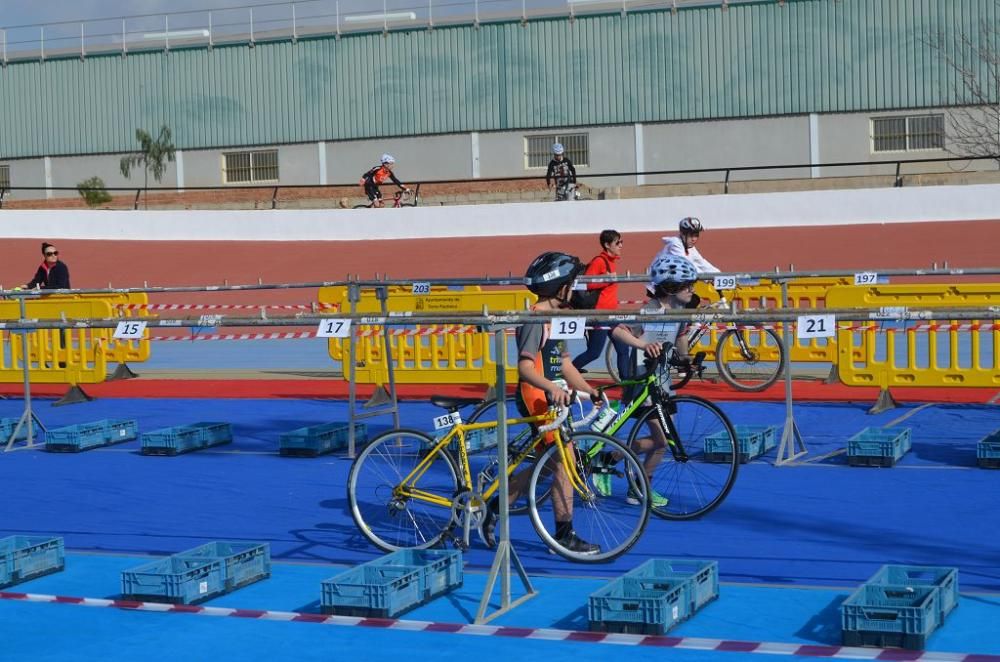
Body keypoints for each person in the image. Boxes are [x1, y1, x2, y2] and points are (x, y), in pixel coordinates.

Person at [480, 251, 602, 555]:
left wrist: (590, 389)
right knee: (564, 459)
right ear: (559, 286)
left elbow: (564, 364)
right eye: (572, 283)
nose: (574, 288)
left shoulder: (555, 318)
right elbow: (525, 367)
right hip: (536, 396)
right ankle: (563, 534)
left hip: (553, 395)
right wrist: (551, 389)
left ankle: (493, 506)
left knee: (548, 467)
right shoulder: (535, 318)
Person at [594, 254, 699, 507]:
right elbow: (618, 331)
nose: (693, 290)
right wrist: (643, 344)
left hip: (662, 381)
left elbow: (681, 337)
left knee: (665, 441)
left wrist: (687, 361)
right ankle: (615, 464)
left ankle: (633, 482)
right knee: (662, 439)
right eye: (688, 285)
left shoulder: (681, 312)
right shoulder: (648, 311)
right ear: (671, 287)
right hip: (643, 379)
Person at [571, 229, 633, 379]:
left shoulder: (611, 263)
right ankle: (568, 371)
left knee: (623, 349)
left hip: (612, 315)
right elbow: (585, 284)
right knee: (594, 353)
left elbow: (609, 294)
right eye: (617, 242)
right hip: (599, 315)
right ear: (607, 245)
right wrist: (607, 279)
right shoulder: (599, 261)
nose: (621, 245)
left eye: (621, 242)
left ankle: (627, 386)